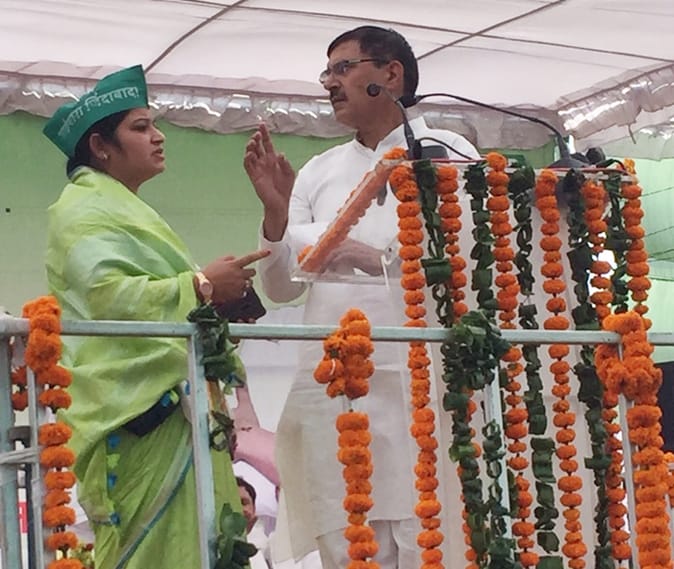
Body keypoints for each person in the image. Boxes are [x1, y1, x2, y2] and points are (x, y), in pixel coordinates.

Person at [243, 26, 479, 569]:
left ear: (390, 75)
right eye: (327, 72)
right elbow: (280, 287)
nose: (330, 83)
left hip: (420, 386)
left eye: (343, 69)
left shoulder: (448, 154)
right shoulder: (318, 172)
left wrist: (375, 260)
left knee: (431, 537)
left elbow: (465, 266)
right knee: (350, 541)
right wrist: (276, 215)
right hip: (337, 392)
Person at [43, 64, 269, 569]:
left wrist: (215, 294)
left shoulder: (123, 208)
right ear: (101, 146)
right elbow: (107, 296)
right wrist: (202, 285)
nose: (158, 136)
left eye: (155, 125)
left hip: (180, 409)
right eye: (141, 127)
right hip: (136, 415)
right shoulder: (79, 210)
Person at [237, 476, 271, 569]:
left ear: (254, 509)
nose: (240, 509)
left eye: (244, 503)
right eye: (235, 502)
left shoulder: (267, 548)